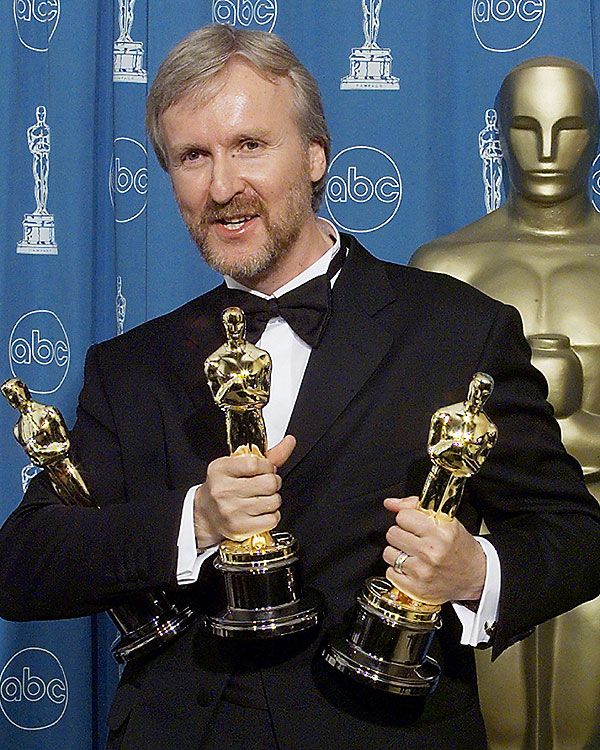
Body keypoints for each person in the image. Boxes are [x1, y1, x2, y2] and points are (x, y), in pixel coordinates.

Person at [0, 29, 598, 750]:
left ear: (316, 156)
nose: (222, 187)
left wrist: (478, 571)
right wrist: (193, 521)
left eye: (250, 144)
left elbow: (576, 533)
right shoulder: (130, 366)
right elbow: (23, 565)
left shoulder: (457, 330)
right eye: (194, 156)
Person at [411, 57, 600, 749]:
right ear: (497, 133)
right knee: (497, 733)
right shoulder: (444, 268)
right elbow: (407, 435)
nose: (547, 150)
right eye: (526, 127)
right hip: (477, 548)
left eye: (570, 127)